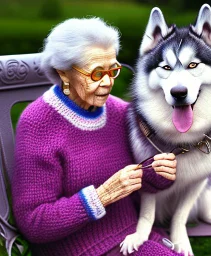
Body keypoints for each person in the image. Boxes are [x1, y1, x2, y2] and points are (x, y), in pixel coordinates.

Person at [11, 18, 180, 256]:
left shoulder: (120, 111)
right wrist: (101, 196)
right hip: (79, 249)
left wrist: (157, 172)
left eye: (113, 70)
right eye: (97, 73)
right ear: (64, 73)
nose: (108, 82)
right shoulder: (38, 124)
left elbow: (142, 182)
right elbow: (35, 222)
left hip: (131, 235)